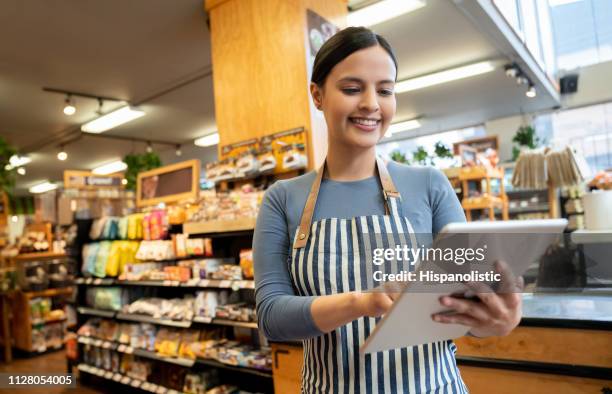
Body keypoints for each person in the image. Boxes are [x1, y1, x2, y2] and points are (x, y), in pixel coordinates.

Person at [253, 27, 522, 394]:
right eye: (352, 89)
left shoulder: (429, 185)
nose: (371, 104)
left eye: (385, 90)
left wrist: (494, 321)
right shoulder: (283, 199)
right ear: (317, 95)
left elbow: (463, 300)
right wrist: (359, 303)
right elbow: (272, 317)